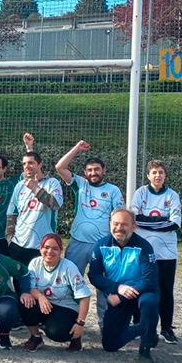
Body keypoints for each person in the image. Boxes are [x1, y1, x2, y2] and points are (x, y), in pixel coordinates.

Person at [54, 140, 124, 328]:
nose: (93, 173)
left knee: (104, 287)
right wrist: (77, 148)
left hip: (102, 246)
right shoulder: (80, 185)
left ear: (104, 170)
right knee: (70, 284)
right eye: (90, 170)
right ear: (85, 172)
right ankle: (70, 321)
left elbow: (118, 216)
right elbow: (60, 167)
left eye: (96, 169)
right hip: (78, 243)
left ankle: (105, 324)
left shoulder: (113, 190)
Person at [88, 207, 160, 363]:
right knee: (110, 345)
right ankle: (145, 329)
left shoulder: (144, 247)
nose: (119, 228)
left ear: (134, 227)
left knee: (150, 300)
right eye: (116, 224)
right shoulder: (101, 246)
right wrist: (117, 288)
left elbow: (150, 281)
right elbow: (94, 275)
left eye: (124, 224)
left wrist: (119, 296)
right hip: (118, 293)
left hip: (142, 292)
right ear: (109, 225)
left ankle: (145, 348)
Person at [131, 159, 182, 344]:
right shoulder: (141, 193)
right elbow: (134, 218)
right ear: (148, 176)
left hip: (166, 252)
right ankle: (137, 324)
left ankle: (166, 329)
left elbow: (174, 223)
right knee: (139, 287)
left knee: (166, 291)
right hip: (142, 250)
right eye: (154, 172)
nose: (158, 175)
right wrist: (161, 220)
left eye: (161, 172)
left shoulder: (173, 195)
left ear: (165, 175)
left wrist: (146, 222)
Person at [20, 234, 91, 353]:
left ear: (60, 251)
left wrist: (80, 323)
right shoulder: (35, 263)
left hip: (66, 306)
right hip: (45, 303)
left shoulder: (69, 267)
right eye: (46, 247)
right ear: (40, 248)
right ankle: (36, 337)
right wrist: (41, 297)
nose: (50, 251)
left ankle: (75, 338)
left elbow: (84, 296)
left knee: (57, 333)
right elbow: (32, 288)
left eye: (55, 248)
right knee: (24, 302)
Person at [6, 151, 63, 268]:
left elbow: (55, 205)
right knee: (19, 283)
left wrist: (35, 188)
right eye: (24, 163)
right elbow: (12, 214)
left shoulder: (52, 182)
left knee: (40, 283)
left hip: (42, 246)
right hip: (18, 244)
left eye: (31, 163)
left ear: (40, 165)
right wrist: (9, 238)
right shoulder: (20, 185)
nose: (27, 166)